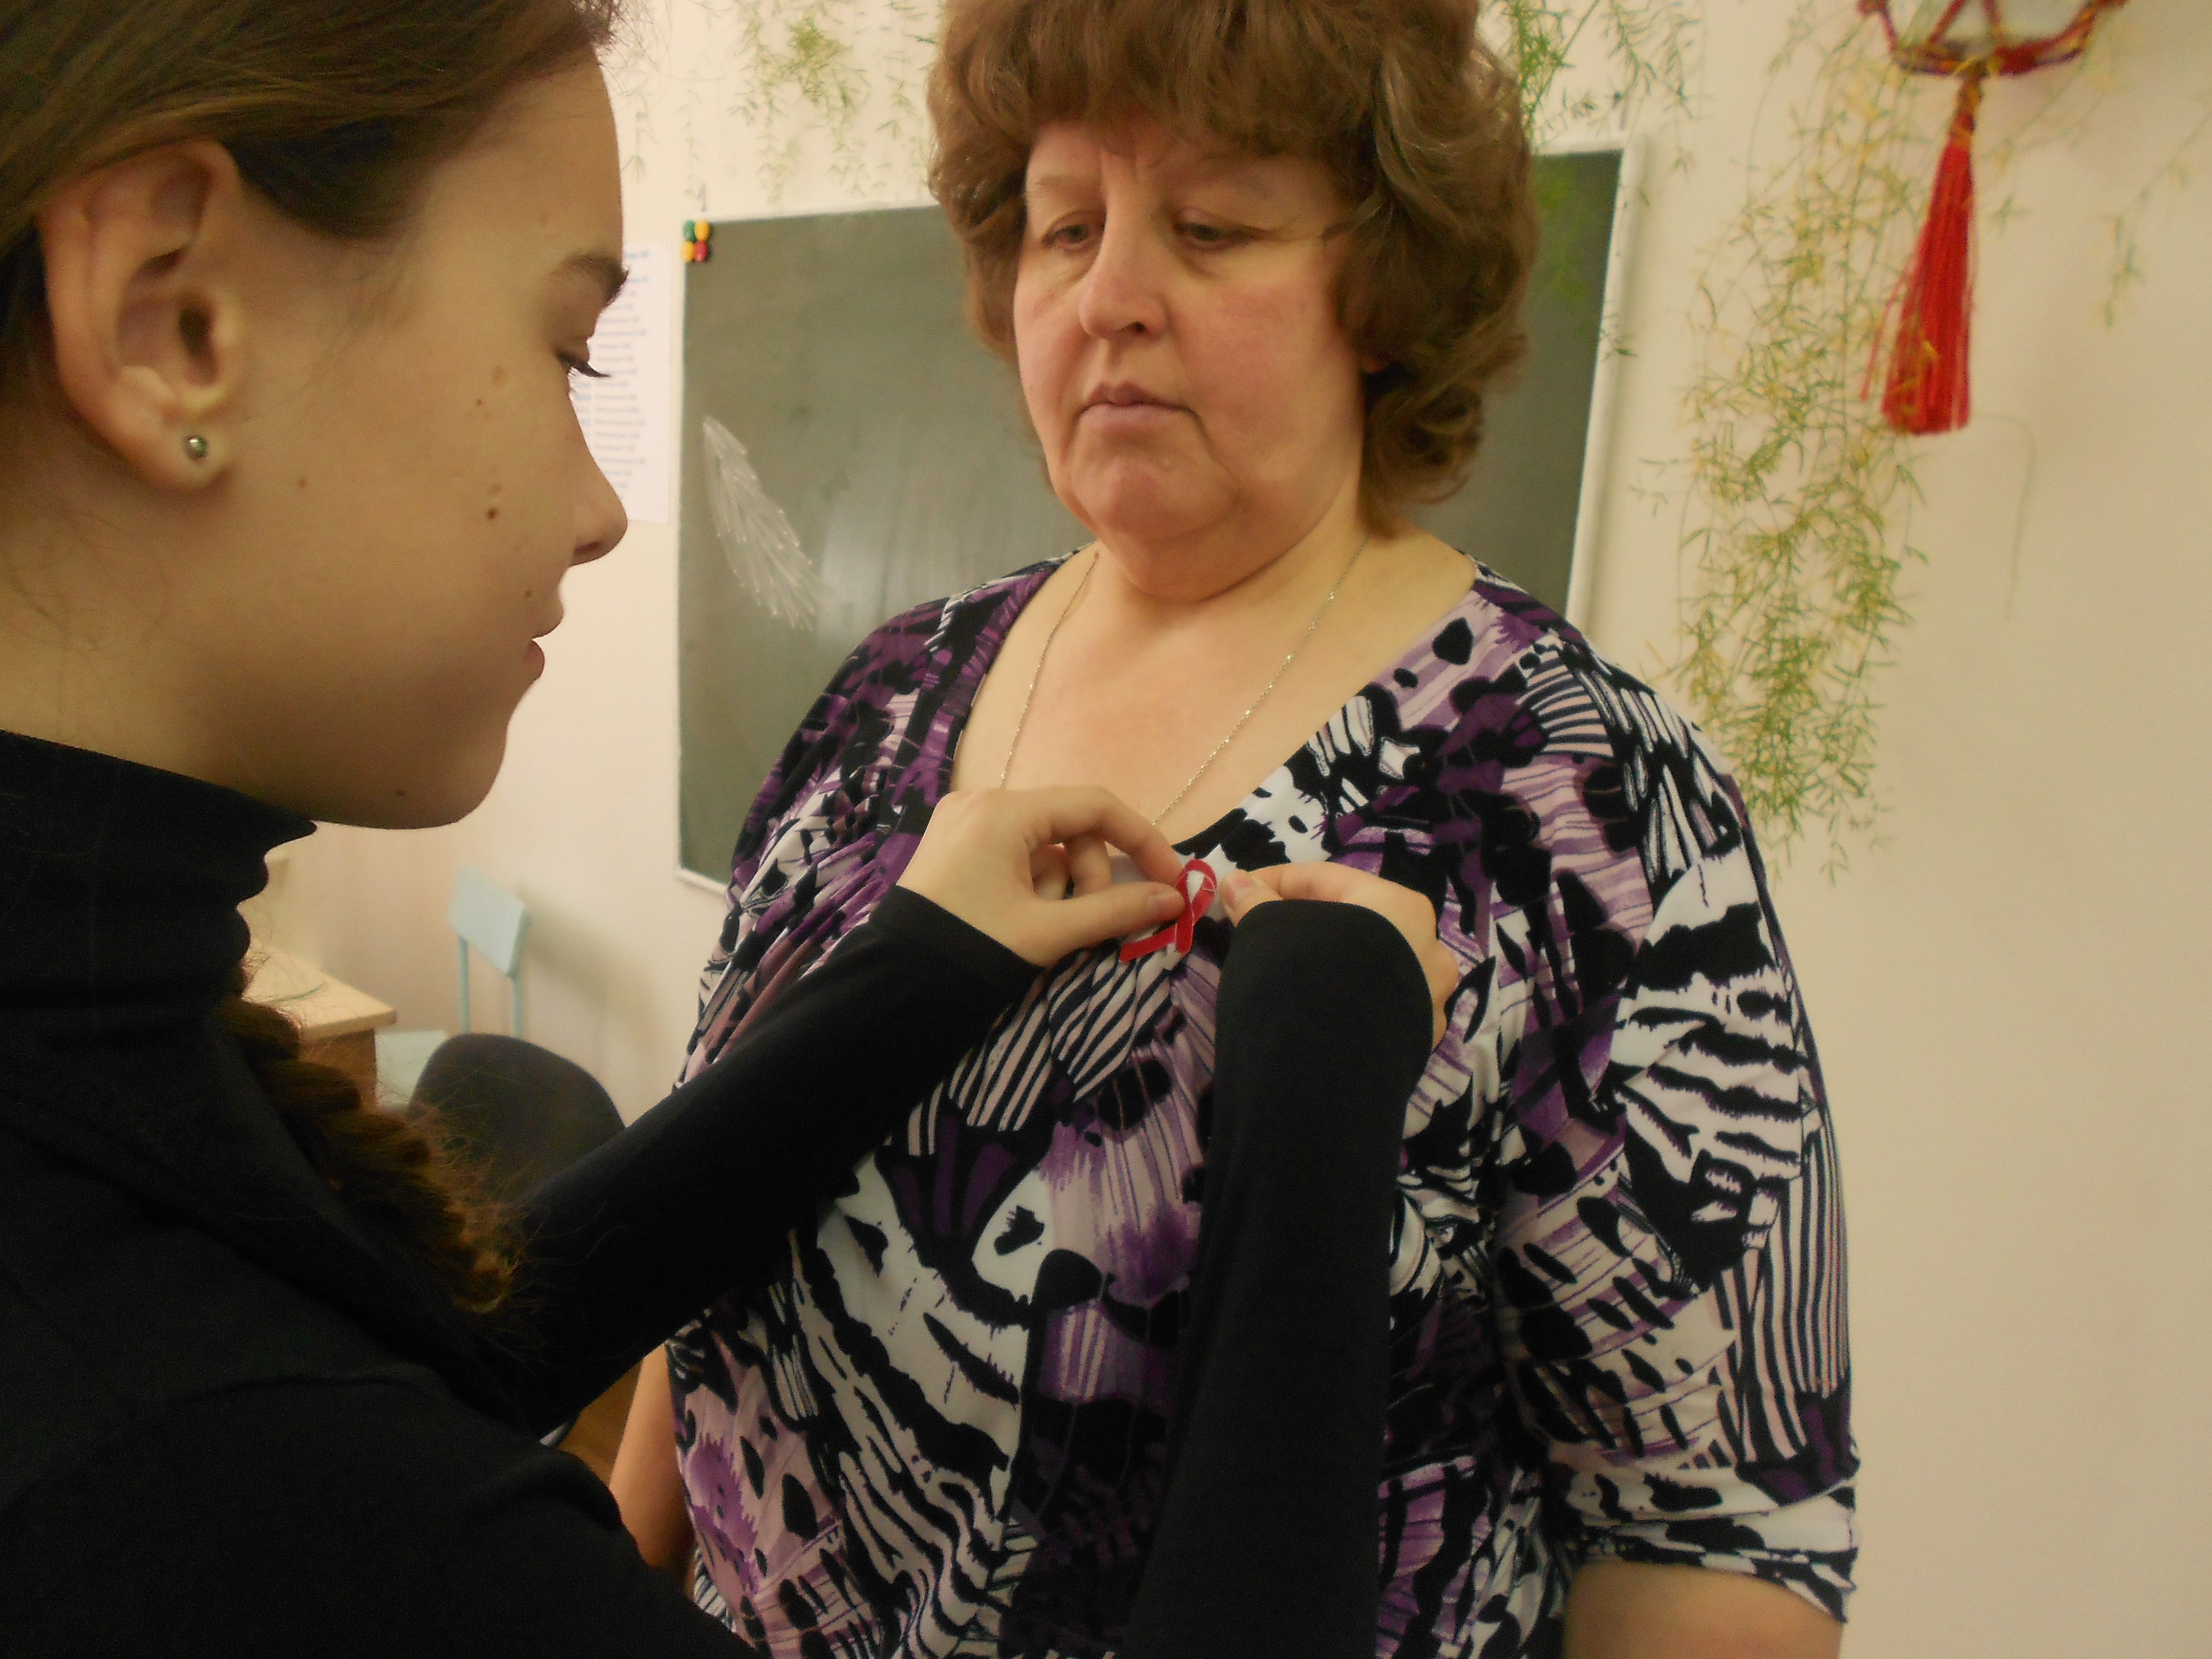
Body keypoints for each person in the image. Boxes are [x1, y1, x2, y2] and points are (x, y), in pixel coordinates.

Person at [0, 2, 1457, 1653]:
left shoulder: (105, 1118)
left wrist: (917, 969)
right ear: (171, 315)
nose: (603, 508)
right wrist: (1327, 1074)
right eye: (570, 350)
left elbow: (427, 1340)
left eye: (1215, 229)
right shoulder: (201, 1473)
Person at [613, 1, 1859, 1656]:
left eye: (1211, 228)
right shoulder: (891, 694)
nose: (1110, 296)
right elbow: (708, 1208)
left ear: (1385, 290)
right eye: (1067, 227)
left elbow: (1712, 1532)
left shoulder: (1576, 788)